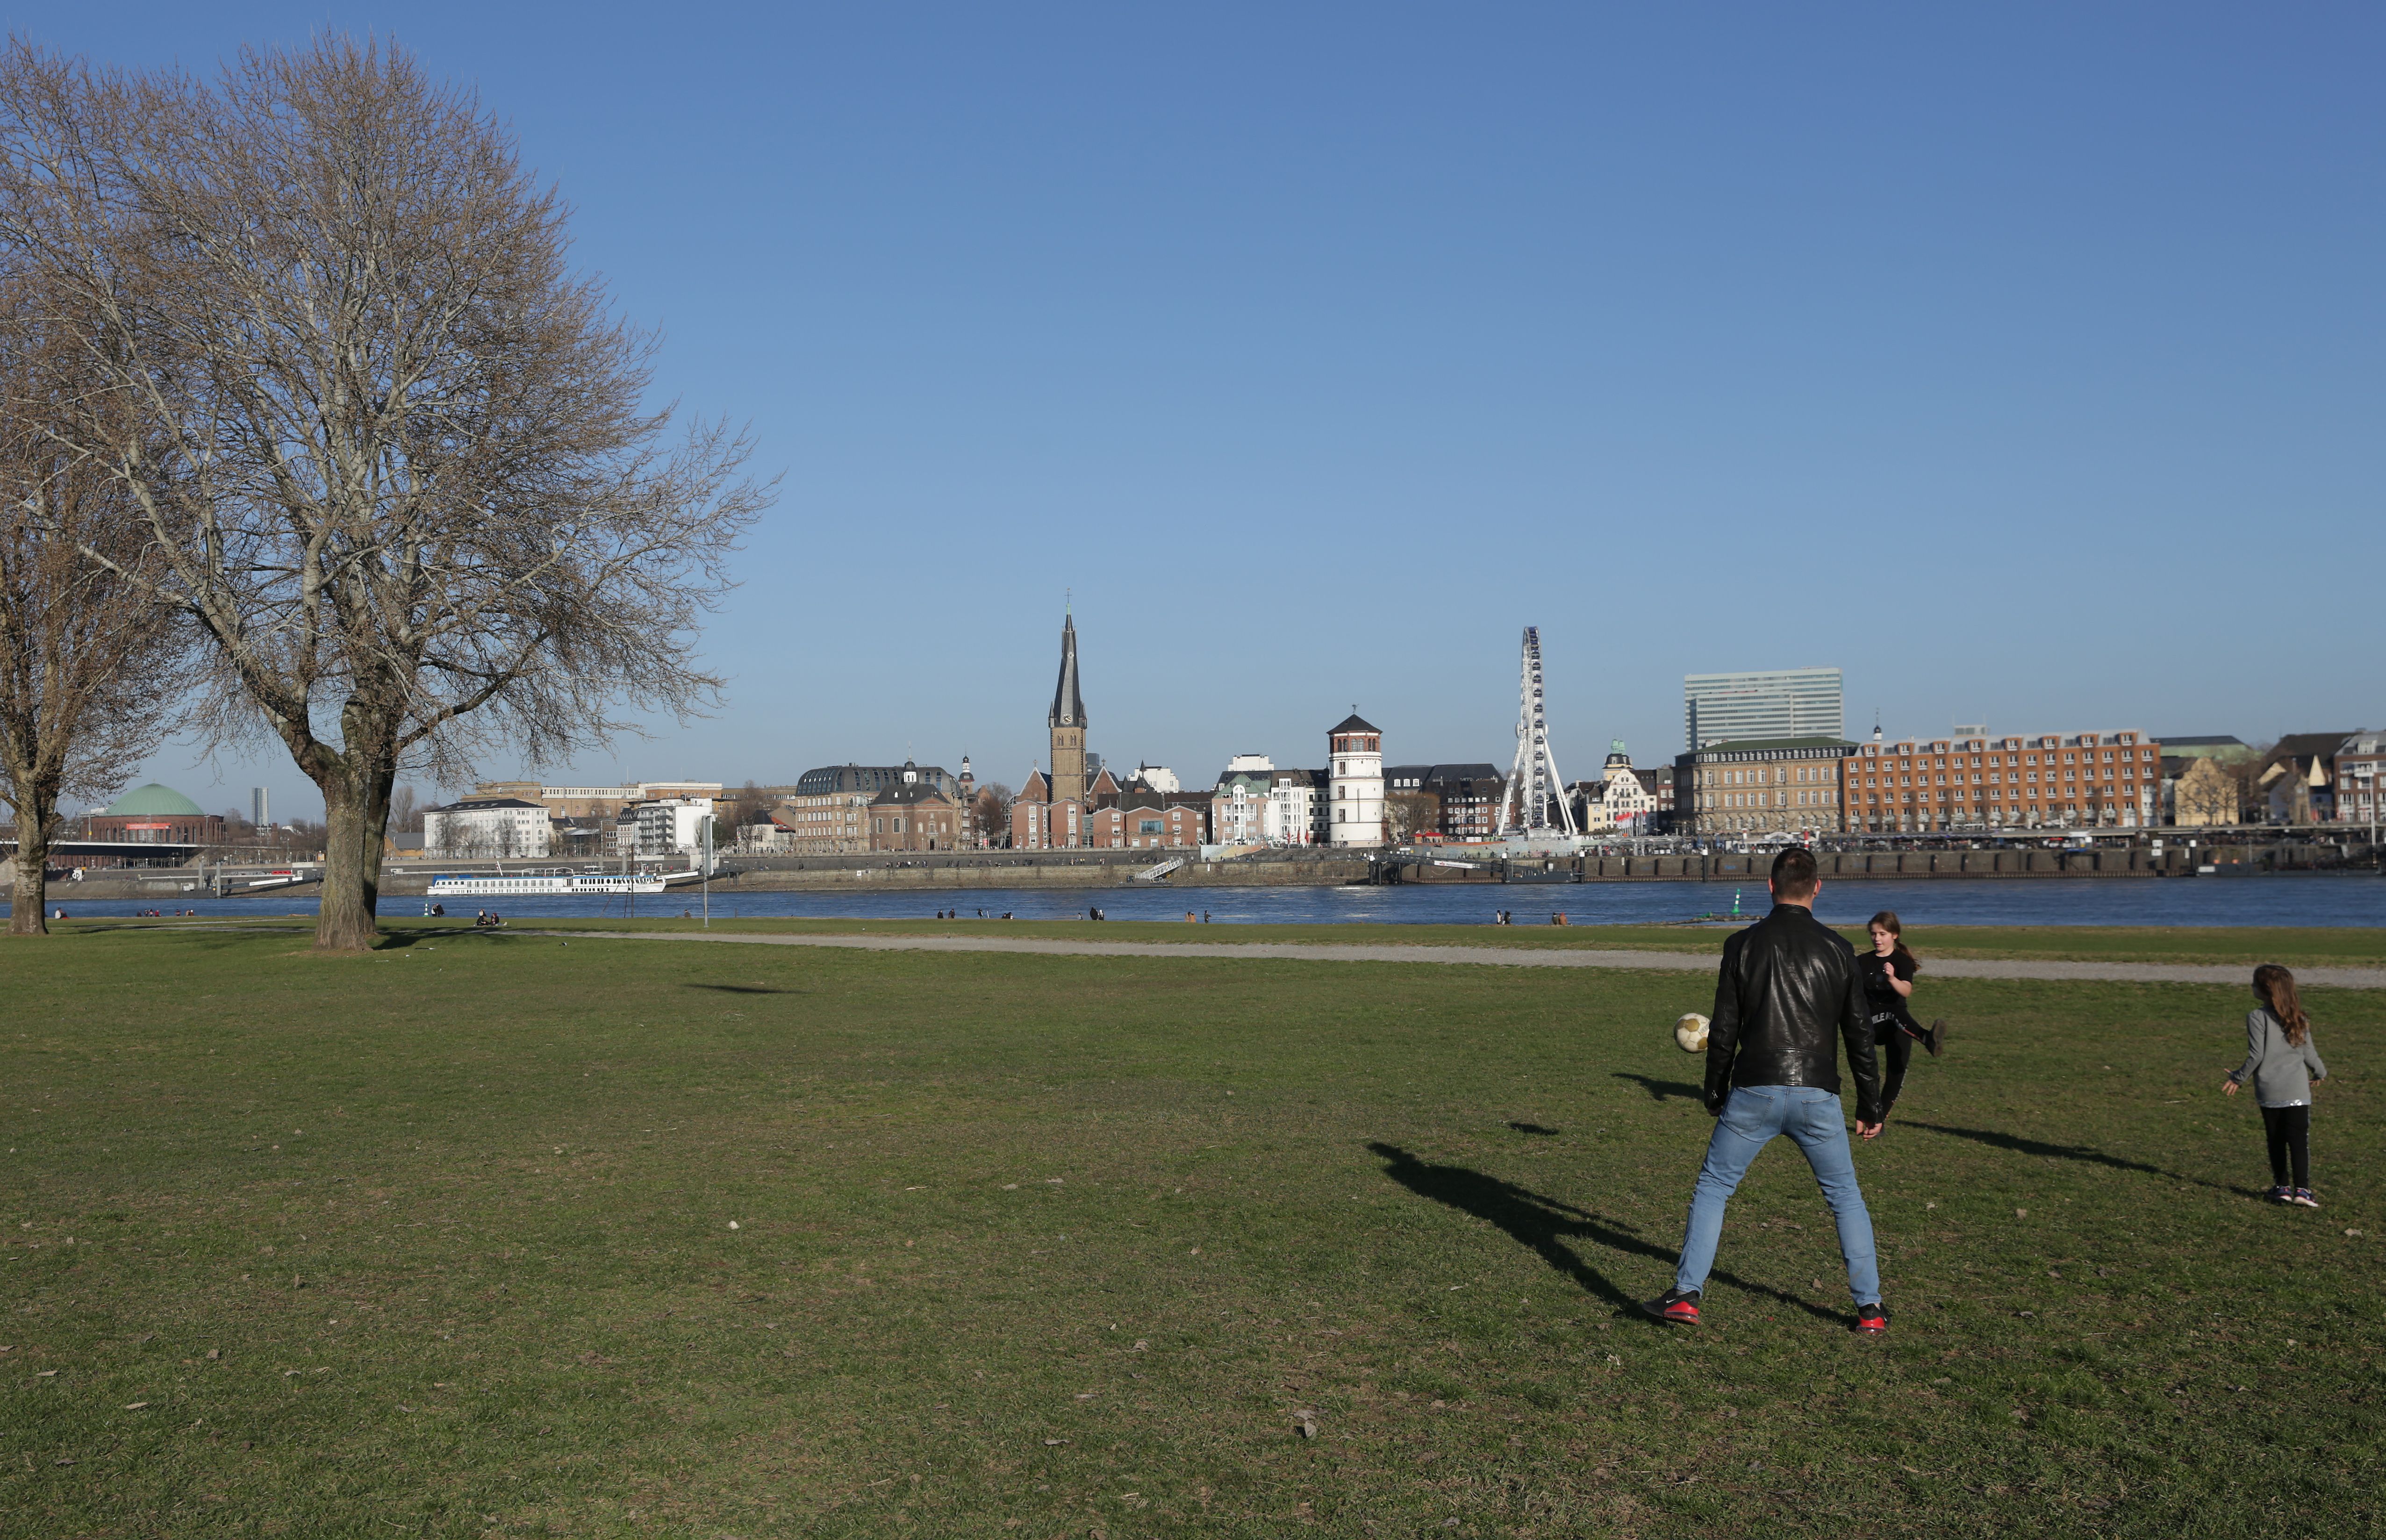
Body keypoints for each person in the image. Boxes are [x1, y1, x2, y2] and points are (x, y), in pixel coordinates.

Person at [1645, 846, 1889, 1335]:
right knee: (1844, 1197)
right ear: (1817, 888)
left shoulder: (1741, 944)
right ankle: (1870, 1310)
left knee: (1714, 1188)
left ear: (1770, 887)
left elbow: (1724, 1029)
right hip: (1818, 1094)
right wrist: (1870, 1102)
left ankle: (1687, 1295)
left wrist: (1713, 1089)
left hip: (1753, 1089)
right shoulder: (1840, 949)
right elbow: (1859, 1034)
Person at [2223, 964, 2328, 1207]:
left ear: (2266, 991)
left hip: (2270, 1091)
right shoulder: (2299, 1018)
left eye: (2254, 984)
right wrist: (2321, 1072)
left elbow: (2256, 1056)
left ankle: (2281, 1188)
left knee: (2276, 1140)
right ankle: (2303, 1191)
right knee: (2300, 1142)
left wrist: (2237, 1078)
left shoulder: (2257, 1017)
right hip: (2299, 1092)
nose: (2251, 987)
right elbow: (2309, 1053)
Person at [1858, 911, 1946, 1119]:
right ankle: (1926, 1038)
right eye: (1873, 934)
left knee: (1896, 1074)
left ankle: (1877, 1121)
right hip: (1873, 1023)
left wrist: (1892, 979)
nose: (1877, 939)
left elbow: (1906, 991)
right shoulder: (1861, 961)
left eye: (1882, 934)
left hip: (1900, 1024)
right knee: (1893, 1012)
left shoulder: (1902, 961)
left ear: (1895, 935)